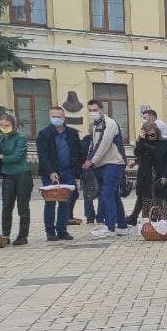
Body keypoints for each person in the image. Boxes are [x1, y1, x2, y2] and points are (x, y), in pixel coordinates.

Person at [36, 106, 82, 242]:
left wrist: (78, 170)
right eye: (53, 116)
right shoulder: (44, 134)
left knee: (65, 202)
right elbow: (43, 156)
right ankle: (50, 232)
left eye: (58, 116)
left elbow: (78, 153)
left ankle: (62, 230)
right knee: (50, 202)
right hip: (50, 173)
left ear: (64, 118)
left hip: (68, 172)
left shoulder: (72, 133)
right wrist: (50, 172)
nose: (55, 118)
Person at [85, 101, 130, 237]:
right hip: (102, 164)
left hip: (114, 162)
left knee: (107, 193)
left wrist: (91, 161)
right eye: (90, 110)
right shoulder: (94, 126)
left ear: (102, 109)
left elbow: (103, 144)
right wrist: (89, 159)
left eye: (95, 109)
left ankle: (110, 227)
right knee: (114, 195)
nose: (93, 112)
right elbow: (92, 144)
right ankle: (122, 225)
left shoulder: (109, 123)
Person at [0, 114, 30, 245]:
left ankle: (23, 236)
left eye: (6, 125)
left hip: (22, 174)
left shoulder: (21, 138)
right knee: (6, 205)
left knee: (22, 206)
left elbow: (17, 156)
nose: (4, 128)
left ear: (13, 125)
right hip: (7, 174)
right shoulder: (1, 138)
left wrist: (1, 157)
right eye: (1, 125)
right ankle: (5, 235)